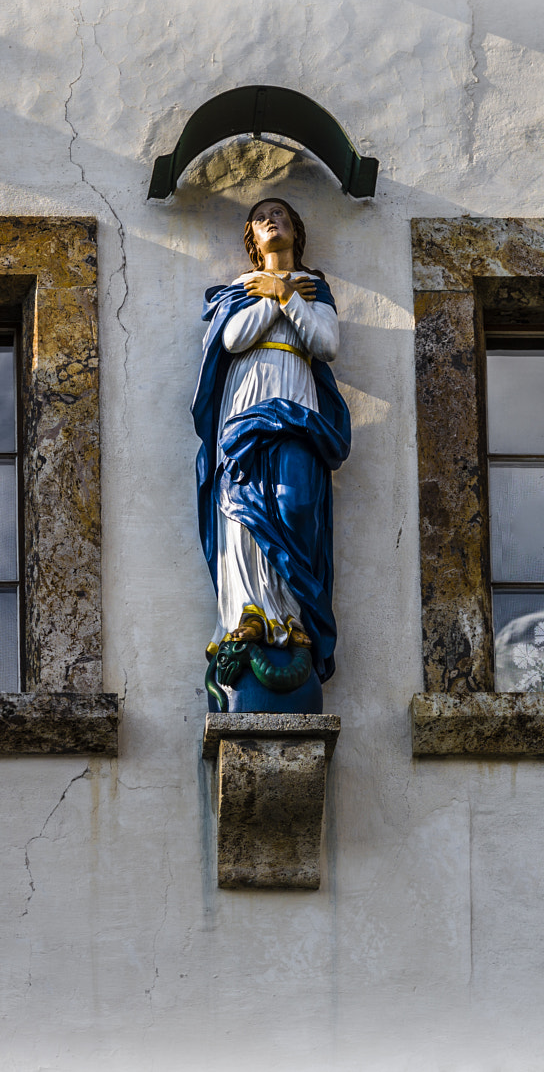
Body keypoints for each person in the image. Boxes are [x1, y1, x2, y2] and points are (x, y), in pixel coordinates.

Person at [190, 198, 351, 710]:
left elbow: (324, 344)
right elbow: (234, 338)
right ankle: (250, 613)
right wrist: (271, 296)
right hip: (246, 404)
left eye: (280, 214)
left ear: (295, 230)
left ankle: (292, 614)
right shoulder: (238, 290)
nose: (271, 221)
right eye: (260, 218)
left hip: (297, 406)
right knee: (242, 509)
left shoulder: (313, 289)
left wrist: (285, 293)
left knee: (297, 504)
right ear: (251, 239)